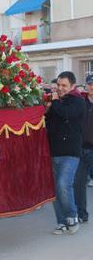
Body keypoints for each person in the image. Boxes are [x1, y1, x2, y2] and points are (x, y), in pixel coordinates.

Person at [45, 71, 86, 235]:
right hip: (54, 152)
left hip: (71, 152)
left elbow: (65, 113)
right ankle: (61, 222)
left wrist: (54, 101)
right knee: (55, 189)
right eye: (58, 85)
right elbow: (48, 122)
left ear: (72, 86)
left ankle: (72, 215)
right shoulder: (56, 103)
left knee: (63, 184)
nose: (60, 88)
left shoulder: (78, 102)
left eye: (64, 86)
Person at [74, 74, 93, 223]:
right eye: (90, 83)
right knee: (79, 183)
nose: (92, 86)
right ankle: (81, 213)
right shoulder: (80, 102)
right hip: (83, 148)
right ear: (86, 85)